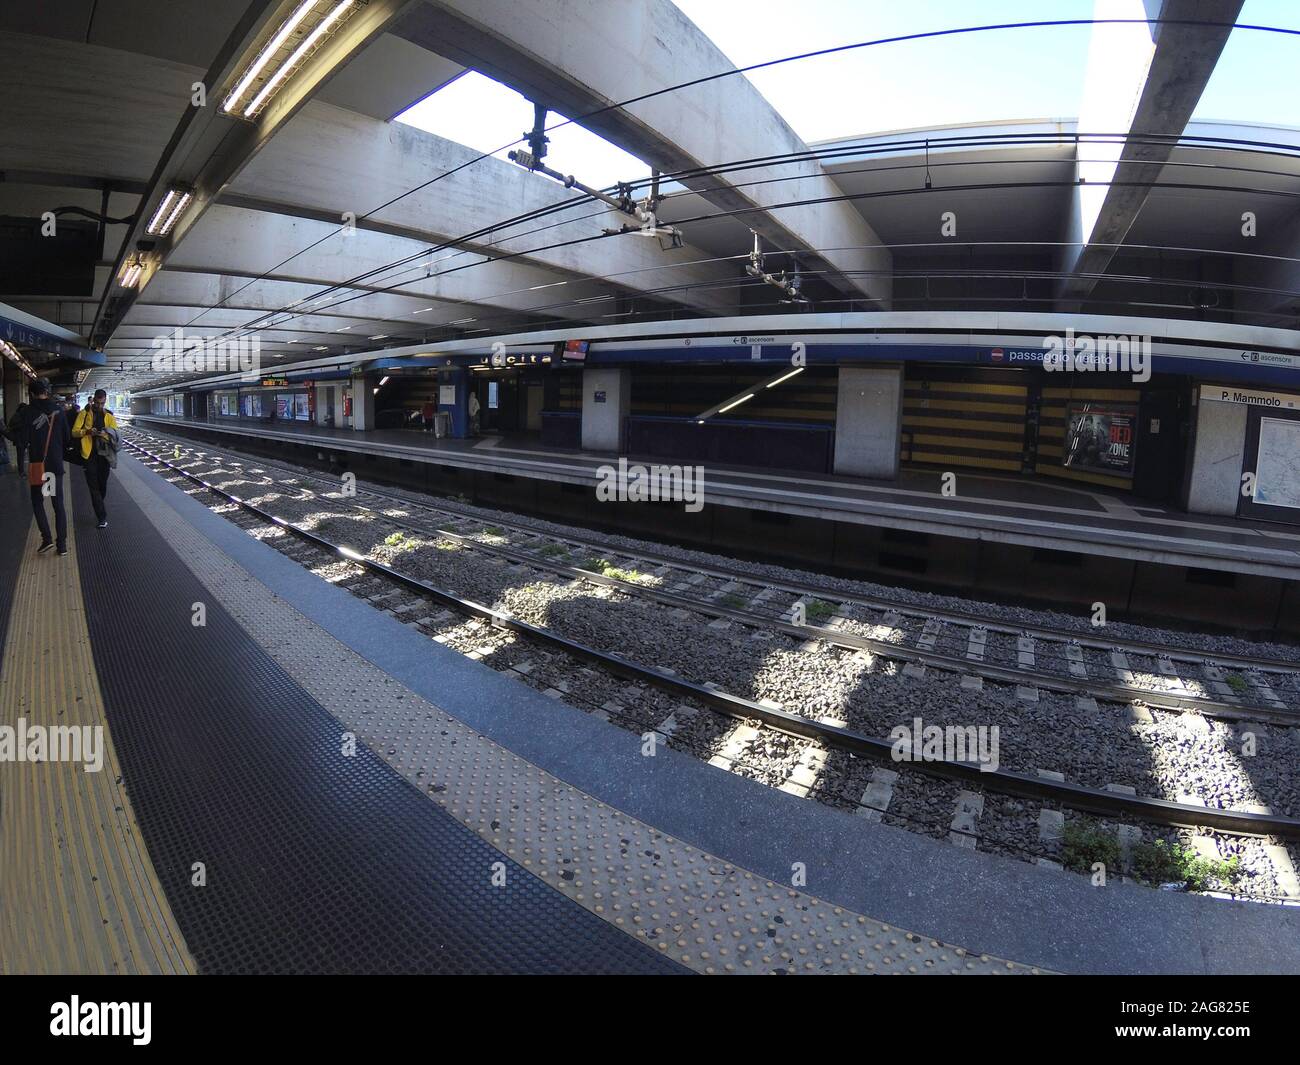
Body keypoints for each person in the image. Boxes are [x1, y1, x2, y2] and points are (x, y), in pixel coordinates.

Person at [19, 378, 70, 555]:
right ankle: (62, 546)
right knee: (58, 505)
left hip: (37, 466)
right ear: (46, 392)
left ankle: (47, 538)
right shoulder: (59, 410)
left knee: (38, 501)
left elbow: (22, 441)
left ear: (32, 394)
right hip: (54, 466)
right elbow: (66, 438)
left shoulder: (27, 412)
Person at [72, 388, 119, 529]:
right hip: (88, 455)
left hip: (104, 456)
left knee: (102, 485)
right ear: (93, 400)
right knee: (93, 487)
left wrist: (103, 434)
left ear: (105, 401)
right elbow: (74, 432)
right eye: (97, 403)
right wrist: (87, 432)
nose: (99, 406)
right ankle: (102, 517)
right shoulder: (84, 413)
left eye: (102, 403)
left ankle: (99, 505)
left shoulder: (109, 416)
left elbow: (115, 435)